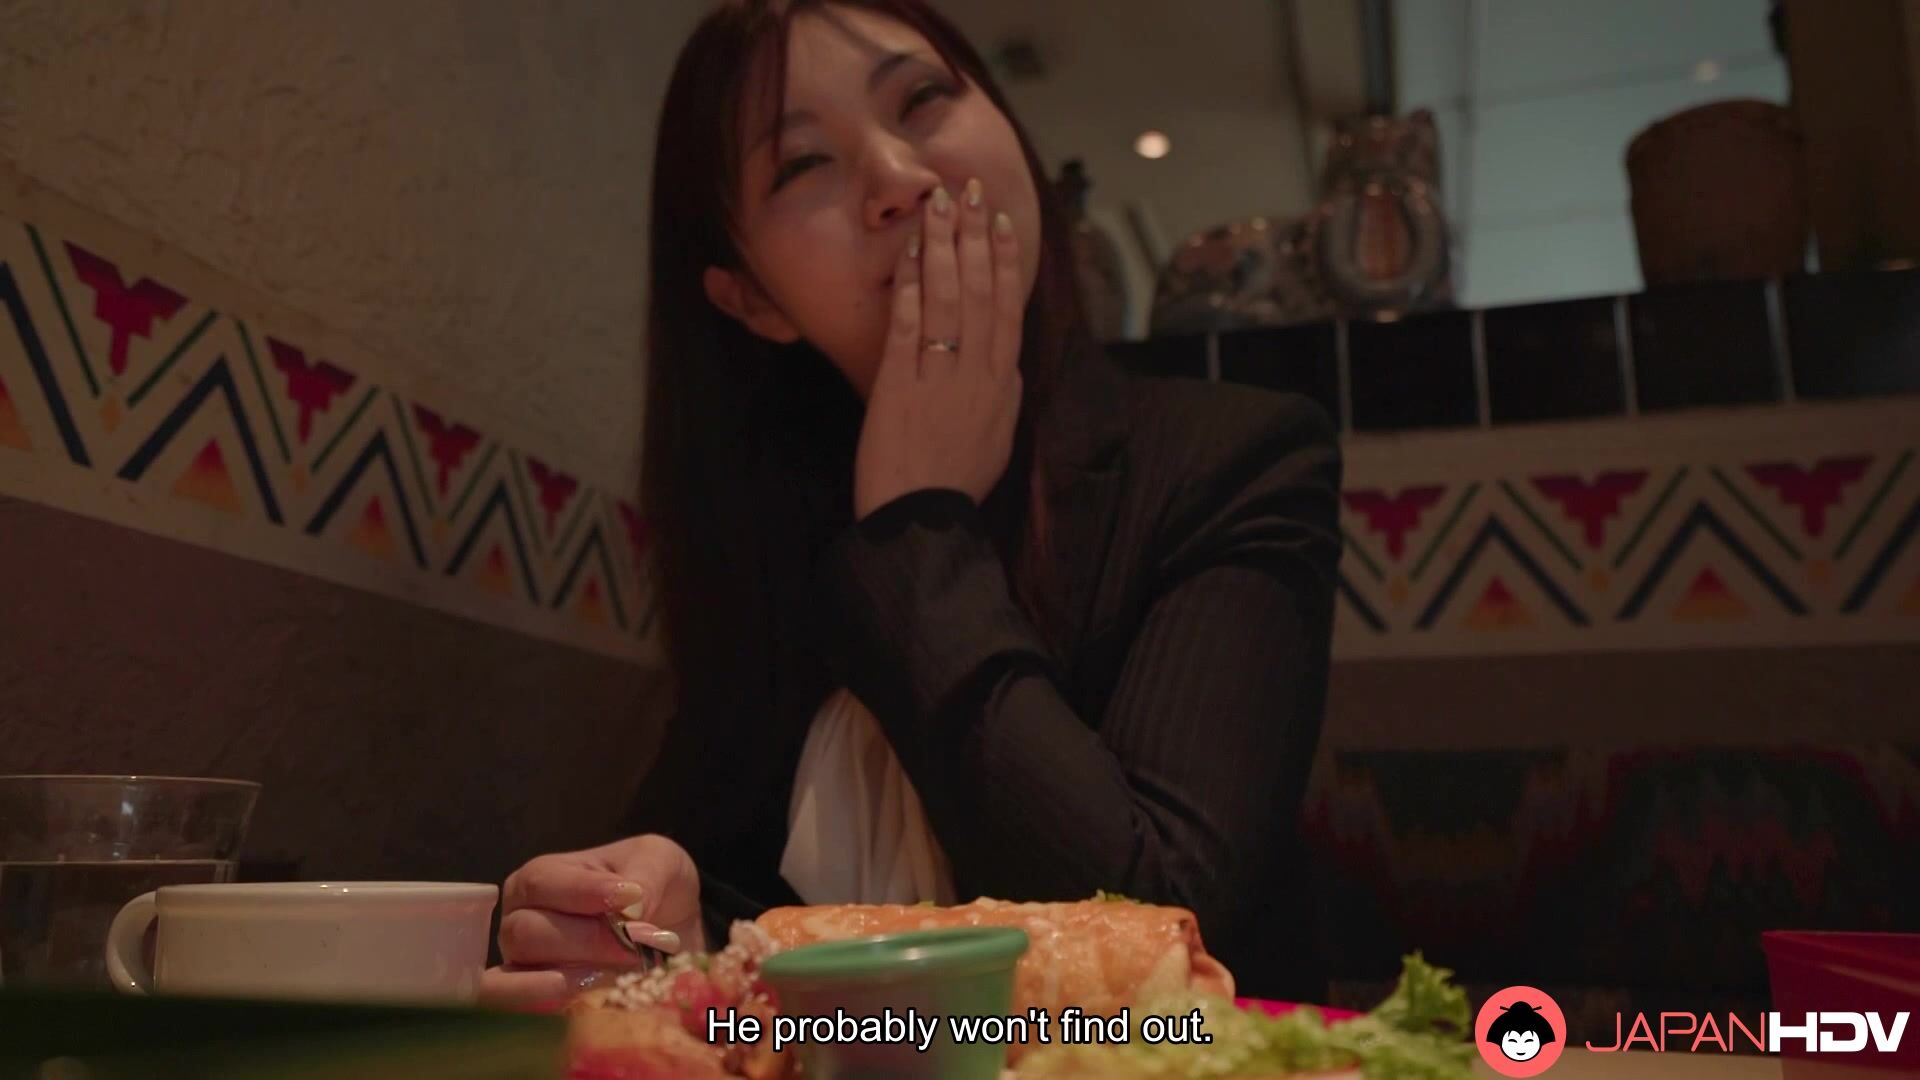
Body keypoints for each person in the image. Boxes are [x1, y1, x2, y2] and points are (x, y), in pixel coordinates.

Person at [482, 0, 1343, 1006]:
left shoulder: (1236, 458)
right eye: (803, 164)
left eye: (924, 98)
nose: (898, 179)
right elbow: (736, 889)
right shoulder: (769, 521)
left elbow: (1154, 926)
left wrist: (917, 523)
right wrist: (665, 930)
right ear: (751, 298)